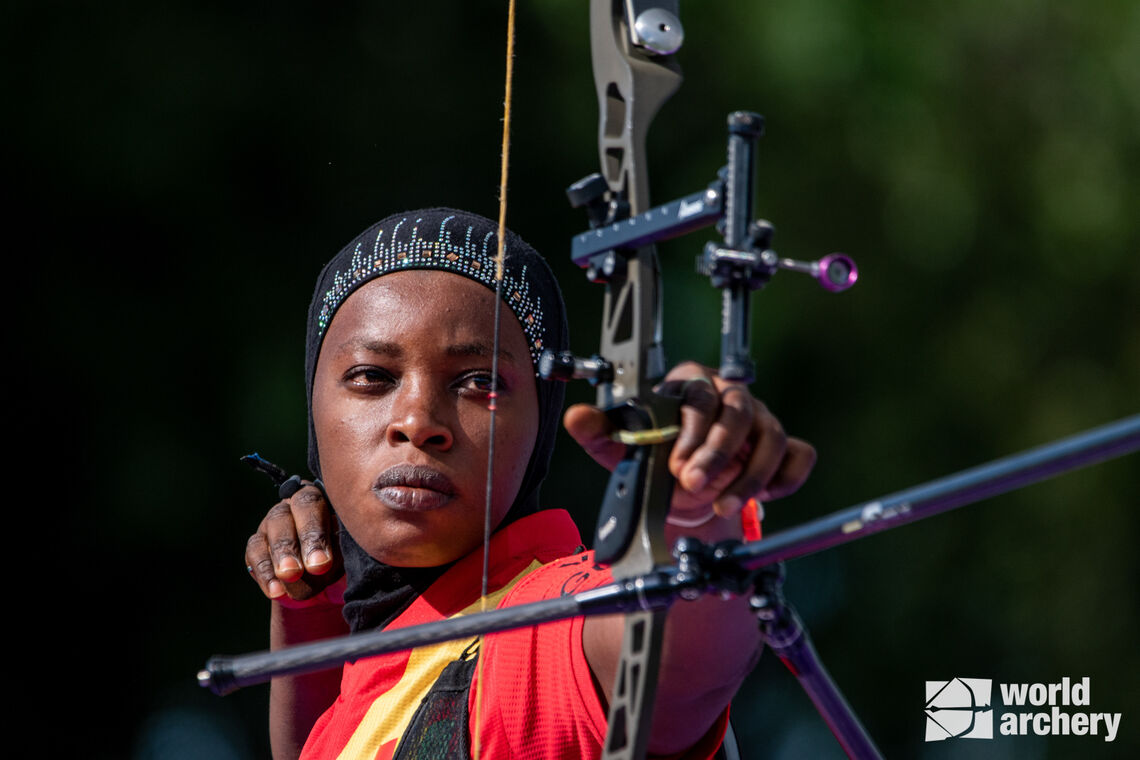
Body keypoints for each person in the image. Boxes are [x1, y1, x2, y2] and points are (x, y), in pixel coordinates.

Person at [244, 208, 816, 759]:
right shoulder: (368, 649)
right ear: (314, 412)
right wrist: (308, 598)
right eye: (371, 376)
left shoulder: (546, 619)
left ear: (540, 421)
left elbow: (673, 659)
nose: (417, 421)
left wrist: (691, 505)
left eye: (477, 381)